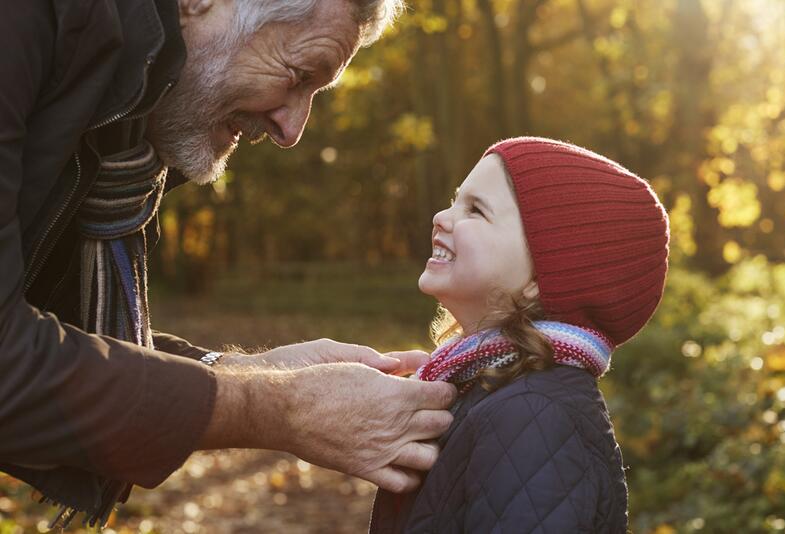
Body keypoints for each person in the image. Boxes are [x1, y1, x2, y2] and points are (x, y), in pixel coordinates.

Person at [0, 0, 455, 528]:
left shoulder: (118, 111)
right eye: (298, 74)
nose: (291, 130)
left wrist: (242, 372)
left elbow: (58, 328)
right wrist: (280, 408)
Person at [368, 137, 671, 533]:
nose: (442, 217)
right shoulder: (489, 389)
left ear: (539, 279)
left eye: (475, 210)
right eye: (455, 200)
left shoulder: (538, 416)